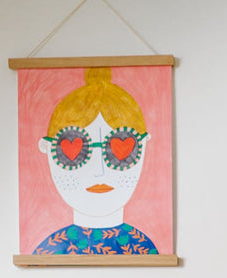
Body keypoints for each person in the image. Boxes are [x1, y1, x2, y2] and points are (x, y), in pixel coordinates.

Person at [34, 67, 157, 255]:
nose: (99, 172)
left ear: (144, 145)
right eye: (78, 152)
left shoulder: (145, 250)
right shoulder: (48, 253)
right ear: (47, 149)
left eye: (120, 151)